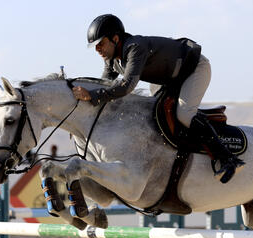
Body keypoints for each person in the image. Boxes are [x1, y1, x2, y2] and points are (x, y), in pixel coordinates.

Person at [72, 14, 244, 183]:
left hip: (194, 68)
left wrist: (92, 95)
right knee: (151, 114)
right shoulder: (112, 60)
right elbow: (105, 86)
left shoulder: (134, 47)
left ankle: (228, 158)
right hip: (169, 79)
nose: (97, 49)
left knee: (184, 115)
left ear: (115, 39)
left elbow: (126, 86)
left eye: (100, 44)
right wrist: (82, 112)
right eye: (95, 46)